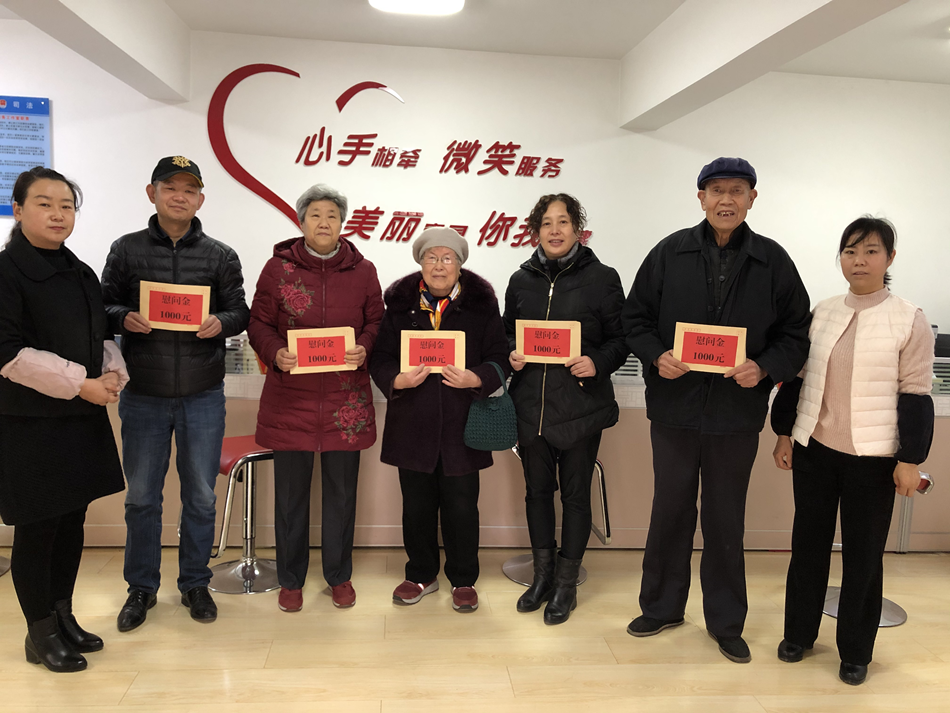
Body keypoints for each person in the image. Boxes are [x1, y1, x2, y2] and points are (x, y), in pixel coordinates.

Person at [622, 157, 811, 663]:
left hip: (736, 414)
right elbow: (634, 318)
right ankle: (661, 607)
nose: (726, 199)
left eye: (737, 190)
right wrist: (655, 355)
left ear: (753, 198)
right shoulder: (669, 253)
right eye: (717, 190)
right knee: (670, 510)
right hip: (674, 410)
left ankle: (726, 622)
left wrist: (765, 368)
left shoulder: (773, 261)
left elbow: (796, 334)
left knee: (726, 519)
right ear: (701, 197)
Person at [771, 216, 934, 686]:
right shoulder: (822, 312)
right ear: (840, 258)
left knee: (864, 556)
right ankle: (798, 634)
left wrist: (910, 458)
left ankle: (856, 651)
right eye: (850, 251)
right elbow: (797, 380)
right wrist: (784, 433)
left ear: (889, 258)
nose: (859, 260)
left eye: (870, 251)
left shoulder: (909, 318)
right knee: (808, 546)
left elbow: (915, 393)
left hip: (874, 459)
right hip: (815, 450)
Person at [101, 156, 250, 631]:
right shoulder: (126, 250)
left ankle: (195, 583)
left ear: (200, 199)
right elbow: (102, 305)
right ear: (153, 193)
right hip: (143, 392)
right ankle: (141, 588)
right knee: (142, 497)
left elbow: (239, 311)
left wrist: (220, 322)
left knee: (201, 496)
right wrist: (123, 317)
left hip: (202, 394)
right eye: (171, 188)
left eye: (189, 189)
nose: (180, 196)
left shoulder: (221, 255)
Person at [0, 167, 127, 672]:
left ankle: (62, 615)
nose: (58, 214)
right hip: (29, 421)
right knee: (38, 526)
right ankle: (40, 633)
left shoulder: (80, 270)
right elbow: (8, 352)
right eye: (45, 203)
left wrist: (111, 372)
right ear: (18, 209)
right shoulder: (6, 271)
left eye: (67, 206)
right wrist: (81, 384)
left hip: (79, 418)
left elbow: (97, 335)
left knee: (72, 519)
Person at [247, 184, 383, 612]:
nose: (324, 223)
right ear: (301, 221)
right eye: (315, 215)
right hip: (291, 402)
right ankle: (290, 580)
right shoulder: (277, 269)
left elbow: (377, 321)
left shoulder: (363, 271)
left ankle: (338, 576)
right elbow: (258, 324)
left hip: (346, 404)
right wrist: (275, 352)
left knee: (341, 497)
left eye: (332, 216)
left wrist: (364, 346)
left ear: (342, 224)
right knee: (290, 499)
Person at [370, 227, 510, 613]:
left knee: (462, 507)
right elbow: (380, 358)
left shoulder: (481, 306)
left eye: (447, 258)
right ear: (420, 263)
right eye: (431, 258)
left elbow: (500, 357)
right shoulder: (400, 306)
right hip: (412, 423)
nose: (439, 265)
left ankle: (463, 579)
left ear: (460, 265)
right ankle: (420, 574)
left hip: (464, 424)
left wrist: (476, 378)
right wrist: (396, 379)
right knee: (416, 506)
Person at [503, 194, 627, 624]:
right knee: (537, 493)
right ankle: (542, 577)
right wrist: (512, 354)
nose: (555, 230)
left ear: (578, 229)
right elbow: (507, 333)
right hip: (530, 408)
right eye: (546, 223)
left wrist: (597, 362)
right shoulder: (521, 280)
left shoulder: (603, 278)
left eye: (563, 222)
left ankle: (566, 585)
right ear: (536, 231)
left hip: (580, 407)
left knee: (575, 497)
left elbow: (621, 339)